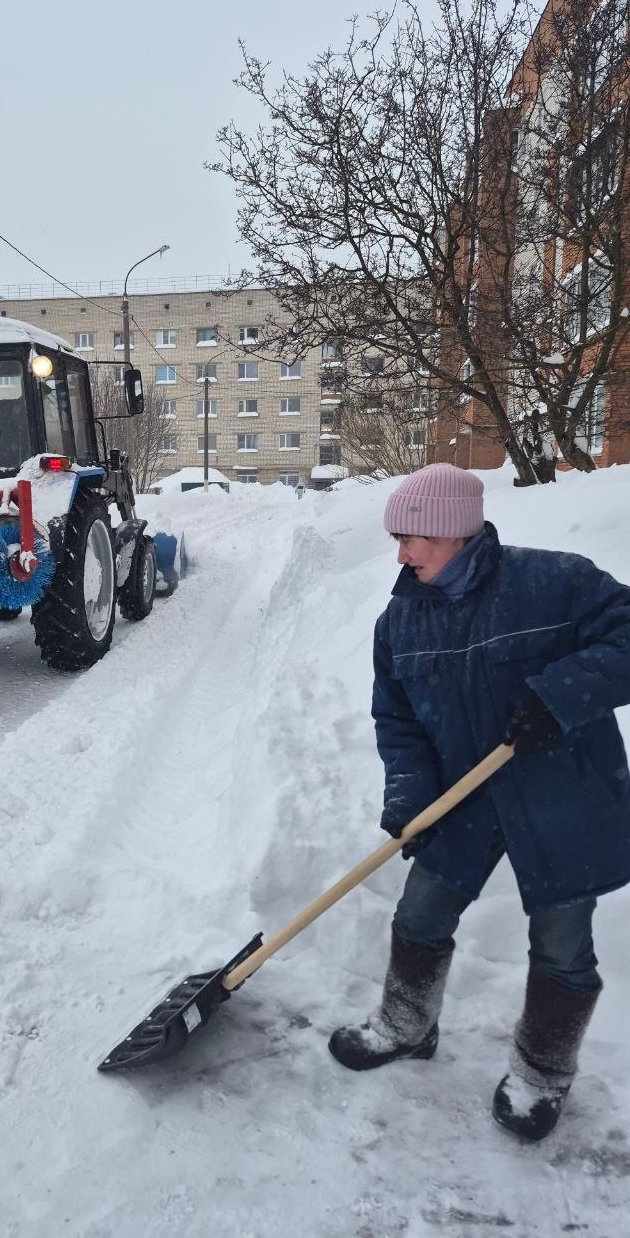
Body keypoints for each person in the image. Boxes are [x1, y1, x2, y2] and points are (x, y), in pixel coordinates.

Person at [328, 464, 630, 1141]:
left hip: (562, 793)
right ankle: (407, 1025)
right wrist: (409, 796)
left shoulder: (554, 583)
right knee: (421, 912)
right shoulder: (400, 622)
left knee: (561, 942)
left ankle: (541, 1075)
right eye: (397, 541)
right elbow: (397, 720)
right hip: (465, 796)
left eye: (412, 540)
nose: (401, 555)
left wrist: (559, 693)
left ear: (454, 533)